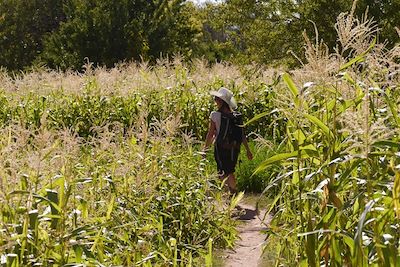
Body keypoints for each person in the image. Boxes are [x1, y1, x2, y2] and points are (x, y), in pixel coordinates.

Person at [203, 87, 253, 193]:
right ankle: (233, 191)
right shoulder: (236, 116)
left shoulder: (215, 115)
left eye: (216, 99)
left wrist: (205, 149)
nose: (215, 101)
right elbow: (242, 134)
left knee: (222, 171)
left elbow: (210, 134)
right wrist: (248, 150)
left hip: (221, 147)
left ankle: (227, 194)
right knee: (230, 170)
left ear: (221, 101)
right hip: (234, 148)